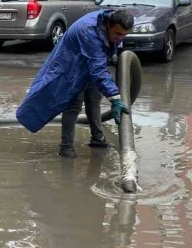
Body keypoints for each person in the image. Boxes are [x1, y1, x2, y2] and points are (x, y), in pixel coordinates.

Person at [17, 9, 134, 158]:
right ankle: (66, 147)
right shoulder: (89, 31)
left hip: (91, 60)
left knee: (94, 97)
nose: (120, 38)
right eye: (118, 34)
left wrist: (113, 54)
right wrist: (115, 98)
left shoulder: (112, 21)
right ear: (108, 25)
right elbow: (98, 69)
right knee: (73, 104)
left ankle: (98, 139)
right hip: (72, 65)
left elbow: (100, 57)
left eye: (124, 35)